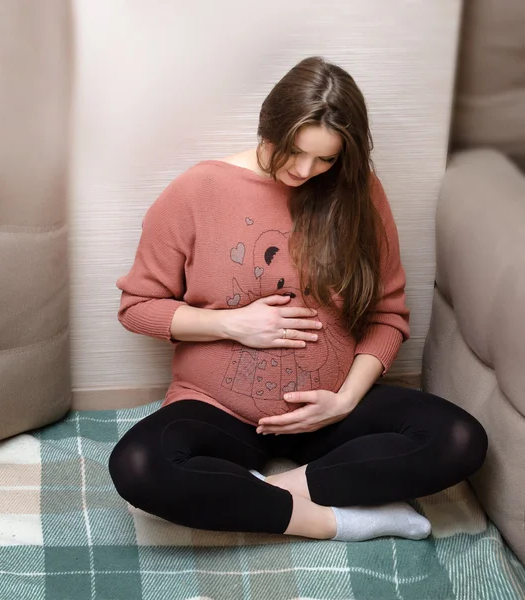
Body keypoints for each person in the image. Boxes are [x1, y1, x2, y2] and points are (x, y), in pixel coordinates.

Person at [108, 56, 488, 542]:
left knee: (460, 440)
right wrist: (232, 324)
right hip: (219, 410)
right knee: (139, 465)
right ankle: (340, 521)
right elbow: (137, 307)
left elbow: (388, 316)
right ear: (270, 125)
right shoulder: (197, 191)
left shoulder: (358, 194)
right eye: (294, 151)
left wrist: (345, 400)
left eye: (326, 159)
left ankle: (268, 491)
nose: (306, 171)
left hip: (330, 410)